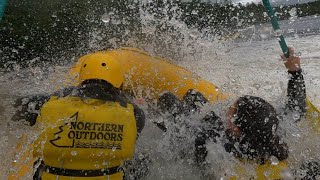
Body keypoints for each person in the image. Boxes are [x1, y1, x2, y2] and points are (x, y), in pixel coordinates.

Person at [157, 47, 307, 174]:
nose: (228, 108)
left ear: (233, 126)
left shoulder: (216, 140)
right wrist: (295, 71)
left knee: (169, 98)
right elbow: (297, 107)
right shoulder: (273, 129)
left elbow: (178, 131)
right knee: (193, 95)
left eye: (231, 108)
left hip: (201, 147)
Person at [11, 56, 145, 179]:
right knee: (142, 161)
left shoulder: (47, 102)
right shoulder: (134, 113)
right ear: (119, 84)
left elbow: (14, 108)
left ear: (81, 80)